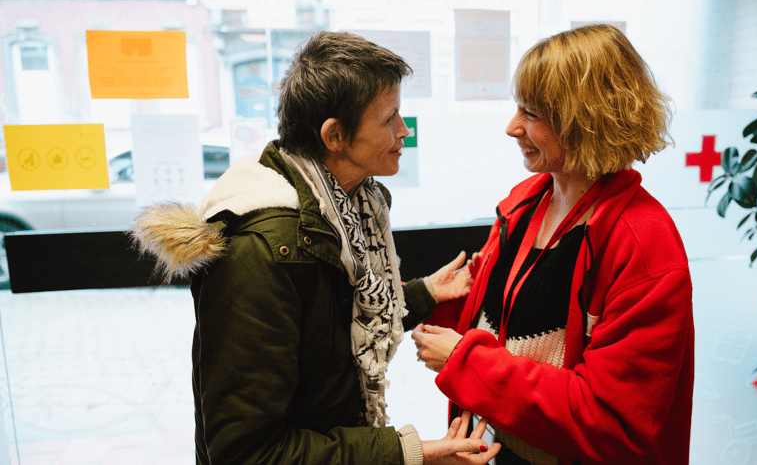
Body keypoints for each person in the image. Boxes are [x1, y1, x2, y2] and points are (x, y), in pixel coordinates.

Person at [130, 31, 501, 465]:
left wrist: (420, 295)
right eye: (389, 119)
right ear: (335, 135)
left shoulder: (349, 206)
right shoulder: (262, 252)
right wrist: (404, 454)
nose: (404, 131)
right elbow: (248, 452)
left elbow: (330, 323)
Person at [413, 24, 694, 465]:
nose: (512, 127)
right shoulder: (525, 204)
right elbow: (503, 322)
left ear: (585, 120)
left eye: (531, 114)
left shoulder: (642, 247)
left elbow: (610, 421)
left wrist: (465, 362)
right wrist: (433, 302)